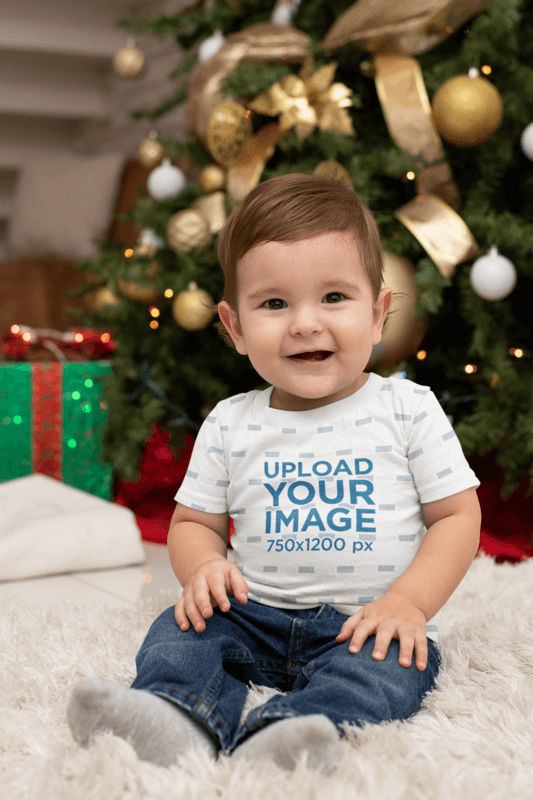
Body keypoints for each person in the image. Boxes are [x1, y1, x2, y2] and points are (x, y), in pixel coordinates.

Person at [67, 173, 481, 776]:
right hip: (252, 610)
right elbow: (193, 524)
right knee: (180, 633)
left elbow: (457, 515)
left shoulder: (407, 408)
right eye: (275, 303)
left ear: (379, 313)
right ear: (235, 327)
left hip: (365, 620)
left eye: (334, 298)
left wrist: (408, 604)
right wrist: (204, 568)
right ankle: (174, 715)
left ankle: (294, 733)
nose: (305, 323)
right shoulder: (231, 423)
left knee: (392, 670)